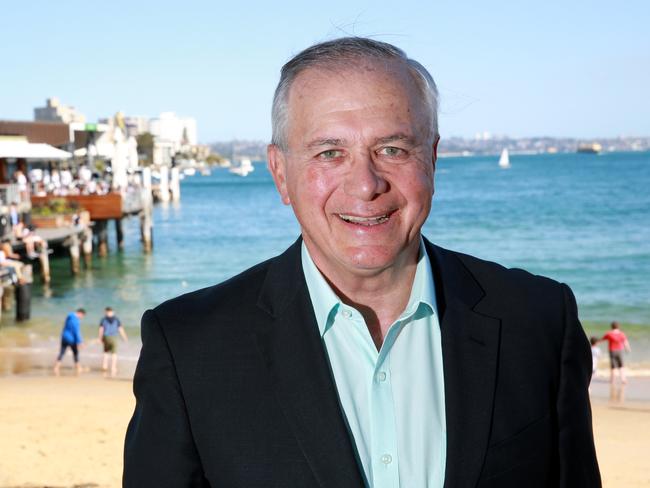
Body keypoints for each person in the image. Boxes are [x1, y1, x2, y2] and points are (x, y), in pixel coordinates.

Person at [124, 38, 600, 487]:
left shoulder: (538, 320)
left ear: (431, 159)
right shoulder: (189, 348)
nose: (366, 184)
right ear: (280, 173)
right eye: (330, 153)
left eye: (392, 149)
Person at [53, 308, 86, 375]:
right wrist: (80, 342)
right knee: (75, 352)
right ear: (80, 313)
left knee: (62, 352)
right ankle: (78, 367)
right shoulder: (76, 321)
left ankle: (56, 367)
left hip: (64, 337)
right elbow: (76, 332)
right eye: (82, 316)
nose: (82, 318)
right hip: (71, 339)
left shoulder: (69, 317)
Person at [98, 306, 128, 377]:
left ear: (106, 312)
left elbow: (101, 329)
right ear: (113, 312)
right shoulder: (116, 319)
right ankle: (113, 367)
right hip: (114, 337)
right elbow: (120, 329)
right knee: (114, 353)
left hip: (106, 337)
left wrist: (100, 338)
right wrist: (124, 337)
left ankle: (104, 366)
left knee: (106, 351)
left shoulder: (103, 319)